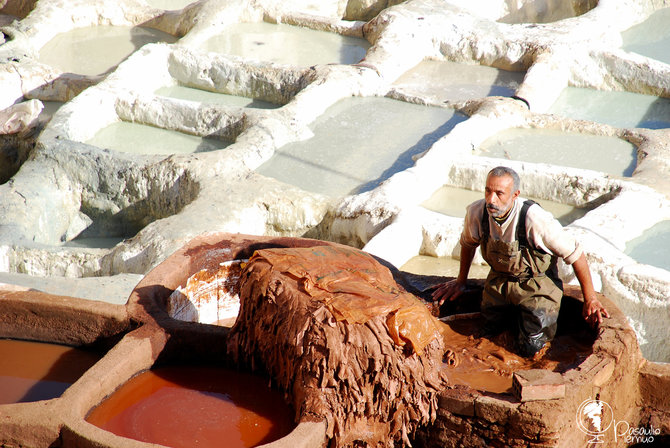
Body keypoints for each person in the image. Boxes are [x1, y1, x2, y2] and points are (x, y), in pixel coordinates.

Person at [431, 166, 609, 357]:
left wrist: (590, 298)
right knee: (489, 330)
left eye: (499, 193)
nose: (491, 199)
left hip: (537, 285)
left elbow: (575, 254)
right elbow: (468, 244)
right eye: (488, 191)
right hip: (499, 281)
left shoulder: (534, 219)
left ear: (515, 194)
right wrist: (460, 281)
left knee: (532, 347)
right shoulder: (477, 212)